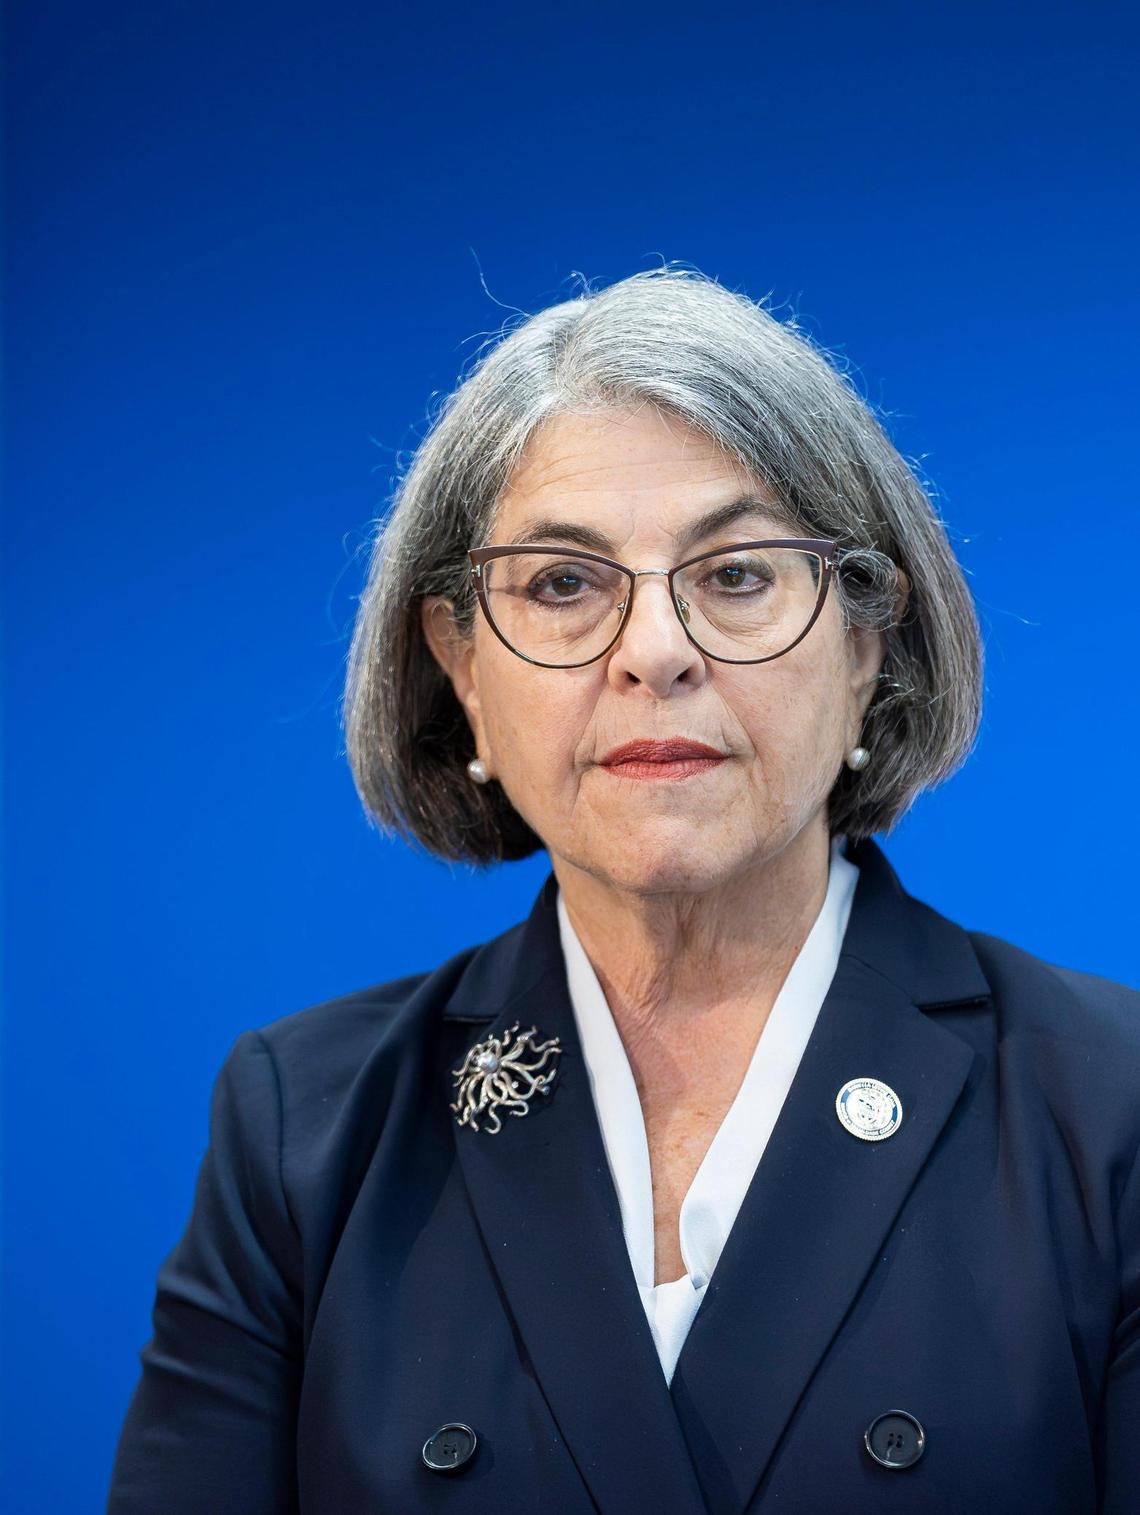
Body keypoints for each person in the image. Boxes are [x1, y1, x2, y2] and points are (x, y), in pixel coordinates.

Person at [106, 268, 1139, 1514]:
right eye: (561, 584)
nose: (656, 652)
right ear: (463, 669)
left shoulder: (1111, 1109)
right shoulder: (304, 1134)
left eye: (739, 574)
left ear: (867, 647)